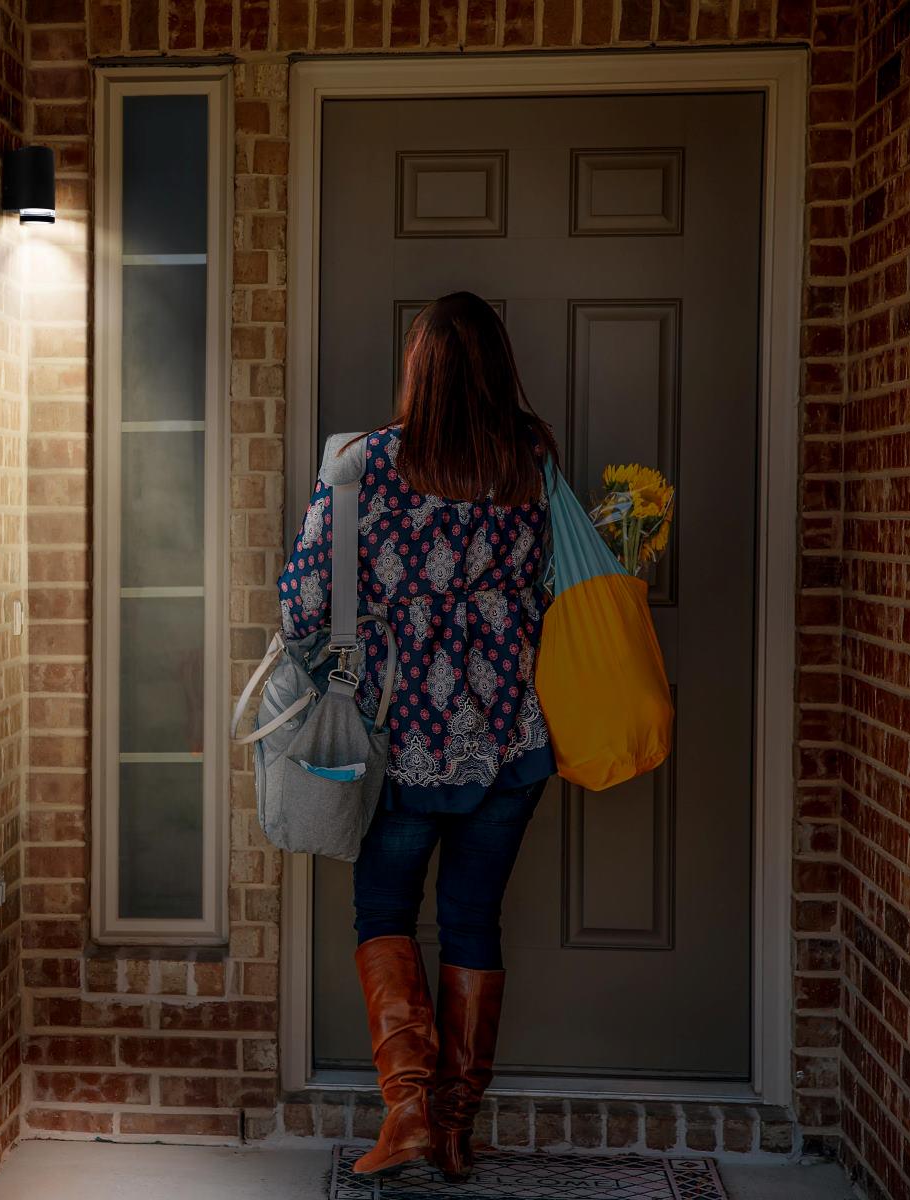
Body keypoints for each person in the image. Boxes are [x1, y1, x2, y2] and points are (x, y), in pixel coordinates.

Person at [277, 291, 558, 1181]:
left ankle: (405, 1118)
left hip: (397, 741)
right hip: (509, 740)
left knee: (384, 913)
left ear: (418, 371)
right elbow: (562, 592)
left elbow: (304, 607)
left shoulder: (364, 469)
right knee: (475, 919)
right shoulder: (531, 468)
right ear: (496, 369)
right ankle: (456, 1129)